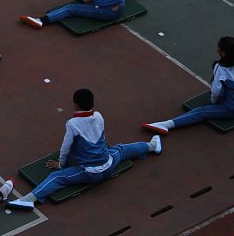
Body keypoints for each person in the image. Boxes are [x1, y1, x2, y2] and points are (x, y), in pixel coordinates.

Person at [9, 88, 162, 210]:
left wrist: (61, 165)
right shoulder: (99, 116)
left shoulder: (73, 124)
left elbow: (65, 149)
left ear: (75, 105)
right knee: (121, 150)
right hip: (108, 163)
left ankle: (29, 200)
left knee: (57, 177)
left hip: (90, 173)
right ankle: (151, 146)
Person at [143, 37, 234, 133]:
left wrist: (214, 102)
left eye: (218, 46)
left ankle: (167, 125)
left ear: (223, 52)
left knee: (201, 112)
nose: (216, 47)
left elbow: (216, 91)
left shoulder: (220, 68)